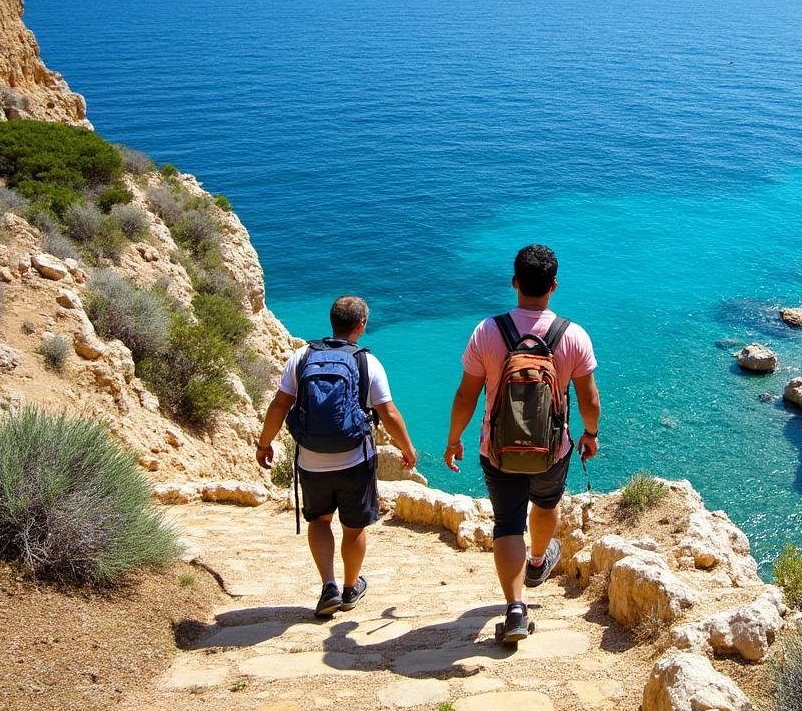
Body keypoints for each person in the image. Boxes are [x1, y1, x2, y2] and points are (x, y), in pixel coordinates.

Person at [444, 244, 601, 642]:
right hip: (552, 451)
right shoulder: (573, 335)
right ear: (554, 286)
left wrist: (453, 439)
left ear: (515, 283)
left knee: (507, 523)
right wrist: (590, 434)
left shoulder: (487, 331)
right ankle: (535, 562)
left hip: (496, 451)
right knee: (546, 505)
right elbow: (589, 400)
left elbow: (466, 395)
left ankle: (514, 610)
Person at [256, 296, 417, 617]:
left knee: (319, 521)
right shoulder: (366, 361)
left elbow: (279, 405)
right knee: (354, 528)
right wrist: (407, 448)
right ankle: (349, 586)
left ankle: (328, 585)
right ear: (361, 326)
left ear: (331, 321)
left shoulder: (301, 357)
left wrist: (265, 443)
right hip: (354, 461)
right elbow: (388, 412)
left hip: (310, 460)